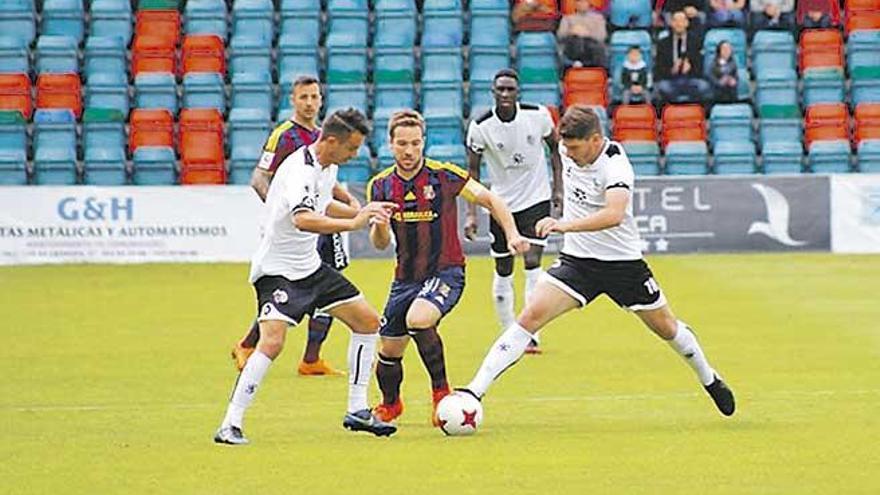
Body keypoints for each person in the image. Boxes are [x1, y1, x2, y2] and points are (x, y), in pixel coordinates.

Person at [458, 105, 736, 421]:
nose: (569, 154)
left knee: (667, 328)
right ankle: (474, 391)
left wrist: (562, 225)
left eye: (575, 148)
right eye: (566, 147)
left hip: (623, 264)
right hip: (578, 262)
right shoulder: (567, 150)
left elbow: (614, 215)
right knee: (530, 316)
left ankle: (709, 378)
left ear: (595, 139)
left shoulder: (615, 165)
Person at [214, 108, 400, 445]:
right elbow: (303, 219)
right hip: (277, 272)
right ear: (330, 141)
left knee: (368, 322)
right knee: (272, 343)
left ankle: (357, 409)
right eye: (351, 148)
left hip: (309, 267)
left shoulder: (327, 167)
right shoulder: (299, 170)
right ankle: (230, 424)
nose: (354, 154)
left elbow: (324, 206)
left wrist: (367, 213)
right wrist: (355, 224)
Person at [368, 110, 529, 425]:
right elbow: (378, 242)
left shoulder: (444, 175)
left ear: (423, 142)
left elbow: (492, 200)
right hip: (405, 279)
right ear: (390, 144)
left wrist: (512, 234)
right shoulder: (381, 186)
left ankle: (441, 394)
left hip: (446, 272)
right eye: (402, 143)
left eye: (415, 143)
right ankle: (391, 405)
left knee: (419, 319)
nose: (409, 150)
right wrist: (380, 225)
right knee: (389, 351)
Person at [230, 75, 360, 377]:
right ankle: (248, 344)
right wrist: (282, 212)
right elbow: (259, 178)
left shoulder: (324, 135)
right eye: (304, 97)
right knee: (286, 291)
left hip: (319, 223)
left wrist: (349, 200)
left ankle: (312, 359)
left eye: (315, 97)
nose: (310, 103)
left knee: (330, 286)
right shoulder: (284, 136)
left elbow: (326, 182)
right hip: (297, 227)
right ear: (293, 100)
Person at [465, 69, 564, 355]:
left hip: (537, 198)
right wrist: (471, 212)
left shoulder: (538, 115)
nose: (506, 95)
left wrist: (558, 189)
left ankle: (530, 333)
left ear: (518, 92)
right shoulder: (481, 126)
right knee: (504, 269)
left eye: (510, 90)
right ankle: (509, 330)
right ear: (493, 93)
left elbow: (555, 151)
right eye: (501, 90)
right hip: (501, 204)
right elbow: (472, 172)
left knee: (533, 262)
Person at [655, 11, 712, 105]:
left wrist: (691, 68)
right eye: (676, 21)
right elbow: (658, 69)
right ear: (671, 23)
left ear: (687, 23)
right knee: (661, 87)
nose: (679, 24)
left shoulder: (696, 41)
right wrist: (672, 70)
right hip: (671, 80)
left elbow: (700, 67)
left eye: (681, 21)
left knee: (703, 86)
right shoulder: (663, 43)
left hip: (691, 79)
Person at [557, 0, 608, 69]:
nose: (582, 4)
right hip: (573, 45)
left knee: (594, 45)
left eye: (584, 1)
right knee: (577, 40)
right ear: (575, 4)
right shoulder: (567, 18)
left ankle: (594, 68)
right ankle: (575, 64)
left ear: (589, 3)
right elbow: (560, 35)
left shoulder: (598, 18)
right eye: (579, 2)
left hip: (592, 46)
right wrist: (571, 31)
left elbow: (602, 36)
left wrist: (587, 33)